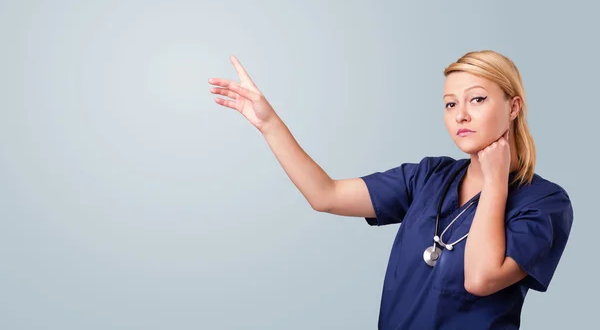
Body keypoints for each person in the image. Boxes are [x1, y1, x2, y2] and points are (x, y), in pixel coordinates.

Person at [208, 50, 573, 329]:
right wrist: (268, 123)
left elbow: (480, 278)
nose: (460, 114)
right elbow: (326, 195)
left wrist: (495, 182)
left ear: (513, 107)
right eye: (450, 104)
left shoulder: (544, 203)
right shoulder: (430, 176)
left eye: (477, 99)